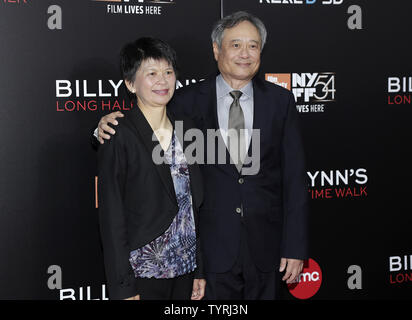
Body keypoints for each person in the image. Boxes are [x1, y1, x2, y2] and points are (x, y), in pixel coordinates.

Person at [95, 11, 309, 300]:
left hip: (266, 250)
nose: (245, 53)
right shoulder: (184, 101)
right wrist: (100, 129)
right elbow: (144, 127)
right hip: (210, 252)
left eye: (253, 45)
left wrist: (294, 247)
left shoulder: (280, 101)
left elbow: (295, 179)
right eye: (235, 45)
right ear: (216, 49)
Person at [97, 37, 206, 300]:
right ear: (130, 83)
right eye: (152, 73)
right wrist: (123, 287)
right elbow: (111, 218)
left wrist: (199, 268)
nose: (163, 80)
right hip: (143, 273)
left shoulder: (188, 127)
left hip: (185, 269)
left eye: (168, 72)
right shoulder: (117, 133)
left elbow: (193, 207)